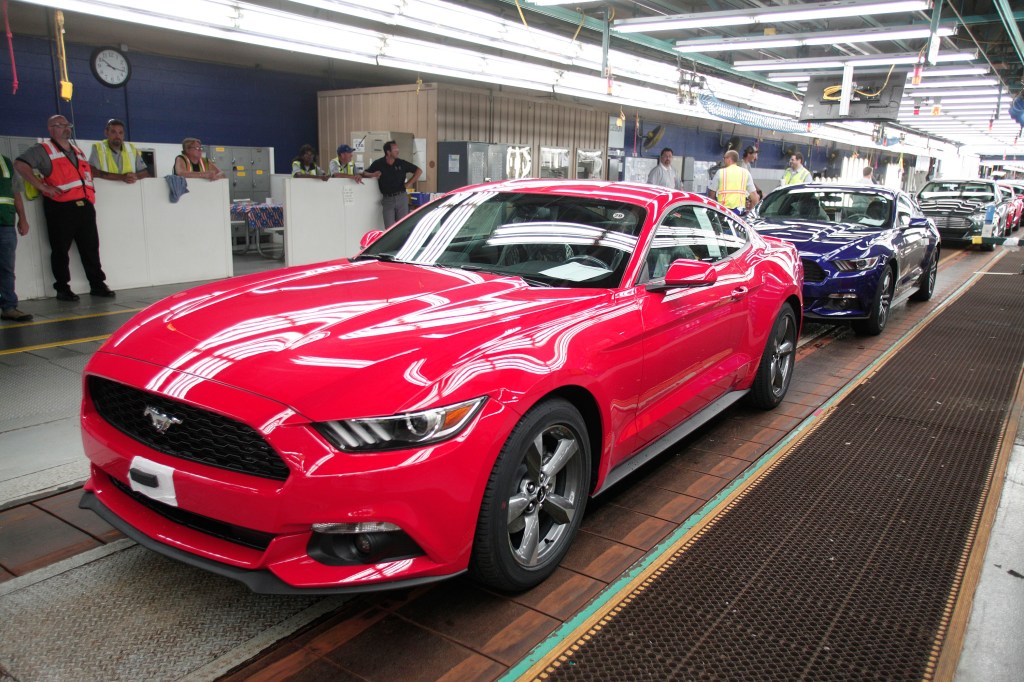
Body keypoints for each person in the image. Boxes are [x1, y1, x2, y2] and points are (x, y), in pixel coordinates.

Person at [15, 114, 115, 301]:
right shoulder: (43, 150)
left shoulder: (77, 151)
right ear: (51, 129)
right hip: (61, 207)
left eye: (67, 125)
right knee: (60, 249)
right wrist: (43, 186)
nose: (67, 128)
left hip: (84, 205)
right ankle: (62, 288)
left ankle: (97, 284)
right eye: (61, 125)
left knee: (91, 247)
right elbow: (20, 164)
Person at [1, 153, 32, 321]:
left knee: (6, 269)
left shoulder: (5, 162)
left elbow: (16, 193)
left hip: (5, 223)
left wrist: (23, 218)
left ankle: (9, 307)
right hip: (5, 224)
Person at [363, 140, 422, 226]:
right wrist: (373, 174)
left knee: (403, 226)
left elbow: (419, 171)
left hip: (401, 197)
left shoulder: (401, 163)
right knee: (389, 227)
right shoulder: (379, 163)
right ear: (388, 152)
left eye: (397, 149)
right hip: (388, 200)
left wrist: (408, 184)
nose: (397, 151)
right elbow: (364, 173)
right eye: (395, 150)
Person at [88, 118, 149, 183]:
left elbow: (145, 173)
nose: (117, 136)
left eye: (120, 133)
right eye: (113, 132)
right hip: (107, 190)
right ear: (106, 133)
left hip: (129, 191)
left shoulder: (131, 149)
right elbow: (92, 171)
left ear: (124, 135)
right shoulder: (98, 148)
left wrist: (135, 176)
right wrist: (121, 177)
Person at [708, 150, 757, 214]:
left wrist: (714, 210)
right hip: (739, 212)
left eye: (724, 158)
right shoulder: (745, 173)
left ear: (729, 159)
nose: (723, 160)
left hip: (723, 211)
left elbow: (711, 194)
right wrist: (749, 211)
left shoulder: (721, 172)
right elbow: (755, 198)